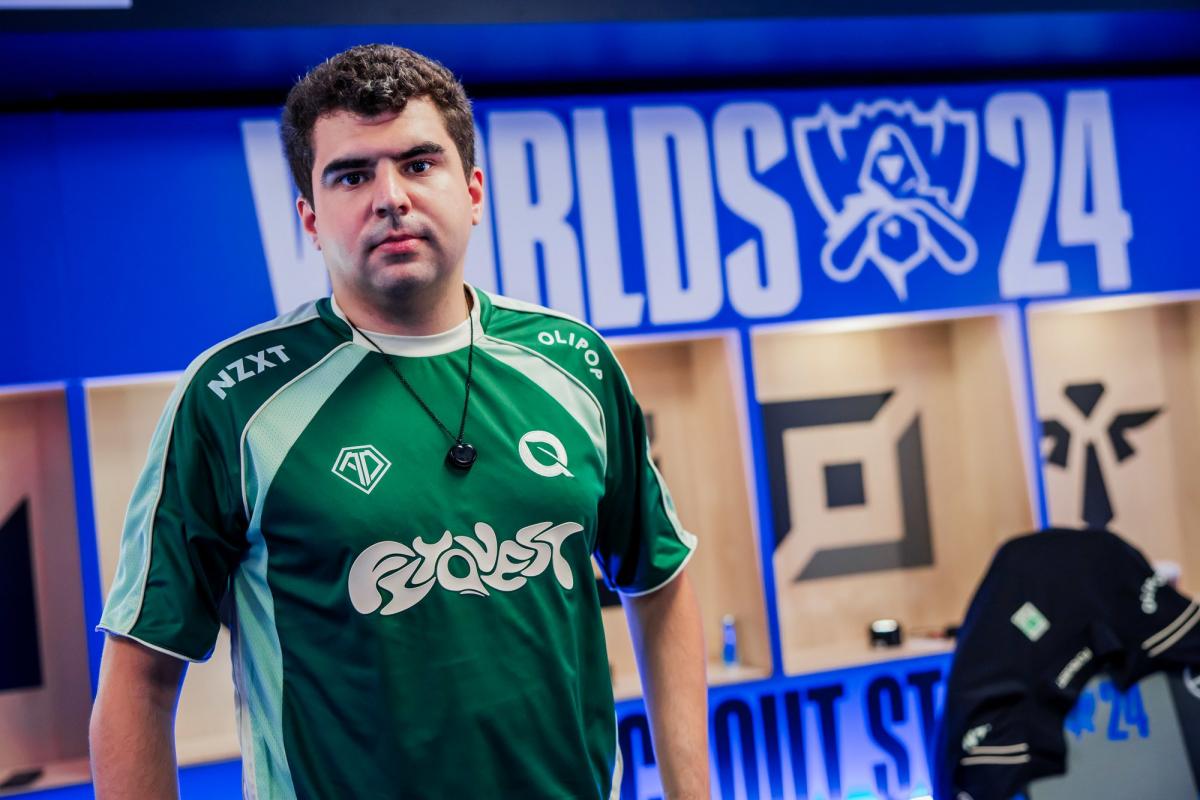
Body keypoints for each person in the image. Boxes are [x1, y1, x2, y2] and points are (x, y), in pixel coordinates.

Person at [89, 44, 710, 799]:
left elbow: (660, 580)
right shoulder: (232, 398)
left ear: (473, 190)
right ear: (310, 218)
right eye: (352, 175)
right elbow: (139, 677)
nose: (391, 197)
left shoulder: (574, 363)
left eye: (419, 163)